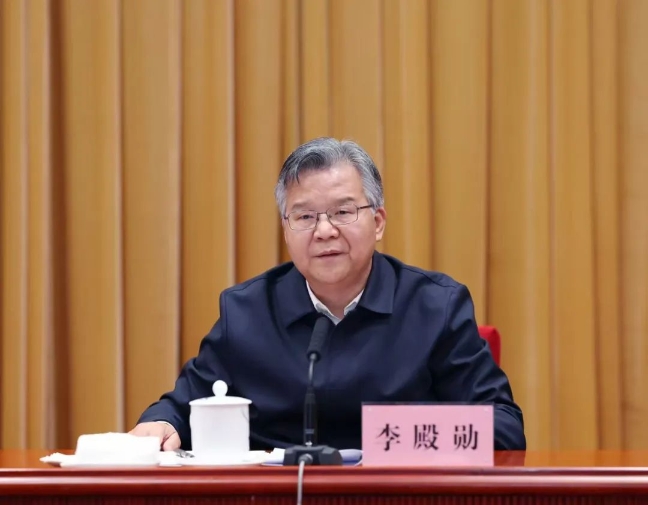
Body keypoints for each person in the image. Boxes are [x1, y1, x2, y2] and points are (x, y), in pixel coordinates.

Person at [130, 137, 526, 451]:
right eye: (305, 216)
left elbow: (505, 428)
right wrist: (162, 424)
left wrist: (395, 434)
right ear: (286, 230)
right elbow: (182, 406)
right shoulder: (246, 311)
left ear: (378, 222)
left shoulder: (435, 306)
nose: (324, 231)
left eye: (343, 212)